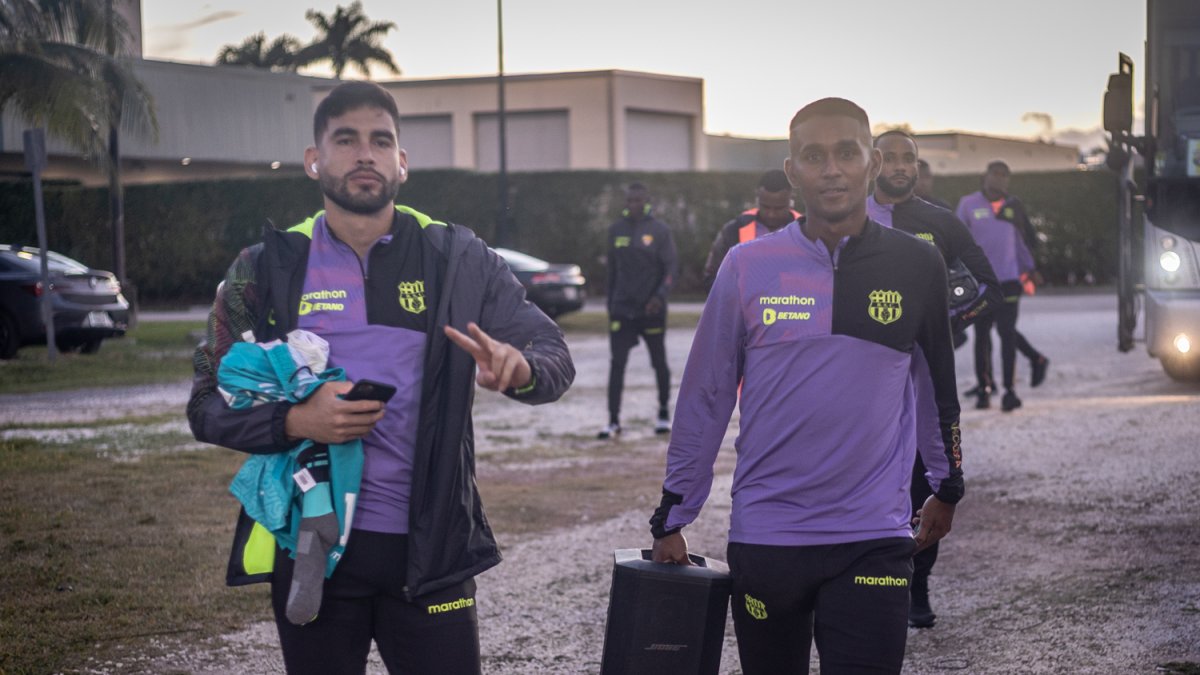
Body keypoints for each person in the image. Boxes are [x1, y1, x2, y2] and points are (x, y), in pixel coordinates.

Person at [187, 80, 575, 675]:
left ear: (402, 163)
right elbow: (207, 403)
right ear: (314, 160)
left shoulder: (456, 257)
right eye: (346, 140)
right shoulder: (268, 266)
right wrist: (295, 419)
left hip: (430, 554)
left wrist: (520, 370)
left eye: (380, 140)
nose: (364, 154)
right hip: (312, 549)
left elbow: (551, 352)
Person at [649, 98, 964, 674]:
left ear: (870, 163)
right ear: (793, 172)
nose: (832, 169)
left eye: (846, 152)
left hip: (873, 535)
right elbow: (706, 394)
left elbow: (935, 384)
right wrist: (674, 512)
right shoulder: (747, 266)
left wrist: (948, 483)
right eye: (814, 156)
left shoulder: (917, 264)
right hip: (768, 540)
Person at [867, 129, 1000, 629]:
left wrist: (946, 325)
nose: (900, 166)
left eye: (910, 158)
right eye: (891, 157)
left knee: (925, 482)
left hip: (923, 387)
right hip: (864, 387)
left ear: (918, 167)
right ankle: (872, 587)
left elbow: (990, 289)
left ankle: (917, 588)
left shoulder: (940, 223)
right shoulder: (849, 221)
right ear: (874, 161)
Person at [956, 160, 1050, 411]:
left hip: (1009, 281)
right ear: (984, 176)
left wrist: (1031, 269)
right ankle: (985, 388)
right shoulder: (968, 204)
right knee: (982, 336)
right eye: (994, 174)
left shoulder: (1012, 207)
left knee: (1007, 333)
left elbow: (1021, 242)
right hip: (979, 283)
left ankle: (1010, 391)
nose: (999, 179)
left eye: (1004, 175)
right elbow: (957, 239)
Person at [599, 182, 678, 439]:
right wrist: (610, 304)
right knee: (617, 364)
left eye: (638, 201)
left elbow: (670, 269)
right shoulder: (616, 231)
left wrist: (659, 297)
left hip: (651, 310)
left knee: (658, 361)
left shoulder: (659, 231)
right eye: (630, 200)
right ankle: (613, 421)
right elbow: (611, 271)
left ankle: (664, 414)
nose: (634, 205)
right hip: (622, 309)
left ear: (647, 202)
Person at [702, 169, 801, 290]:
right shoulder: (734, 231)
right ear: (757, 199)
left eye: (778, 208)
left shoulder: (807, 232)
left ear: (791, 201)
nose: (771, 214)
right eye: (765, 207)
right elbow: (712, 277)